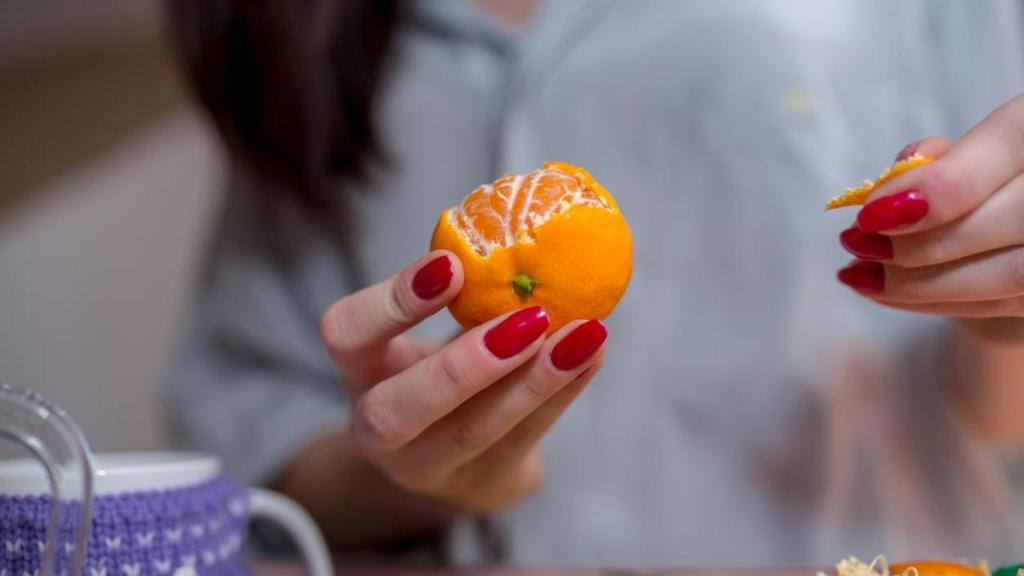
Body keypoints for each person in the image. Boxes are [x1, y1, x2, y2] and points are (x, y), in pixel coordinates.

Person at [163, 0, 1024, 564]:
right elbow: (255, 436)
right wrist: (405, 469)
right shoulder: (300, 26)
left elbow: (1002, 403)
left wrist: (1000, 306)